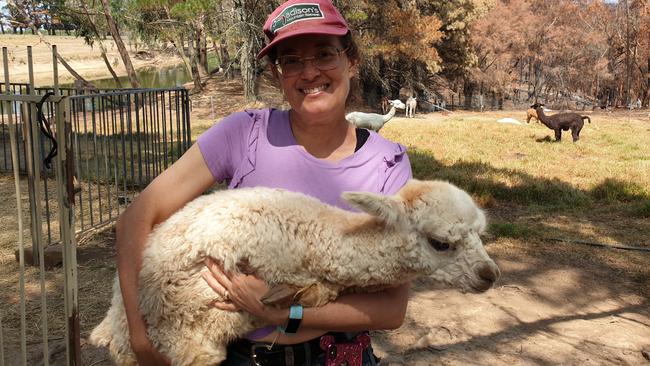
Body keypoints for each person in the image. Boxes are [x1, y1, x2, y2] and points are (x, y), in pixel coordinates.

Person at [115, 0, 413, 365]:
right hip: (240, 355)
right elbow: (137, 217)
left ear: (351, 61)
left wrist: (285, 308)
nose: (309, 72)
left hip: (338, 355)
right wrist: (140, 337)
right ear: (276, 75)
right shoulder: (243, 134)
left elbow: (391, 308)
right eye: (291, 61)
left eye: (324, 54)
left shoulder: (388, 164)